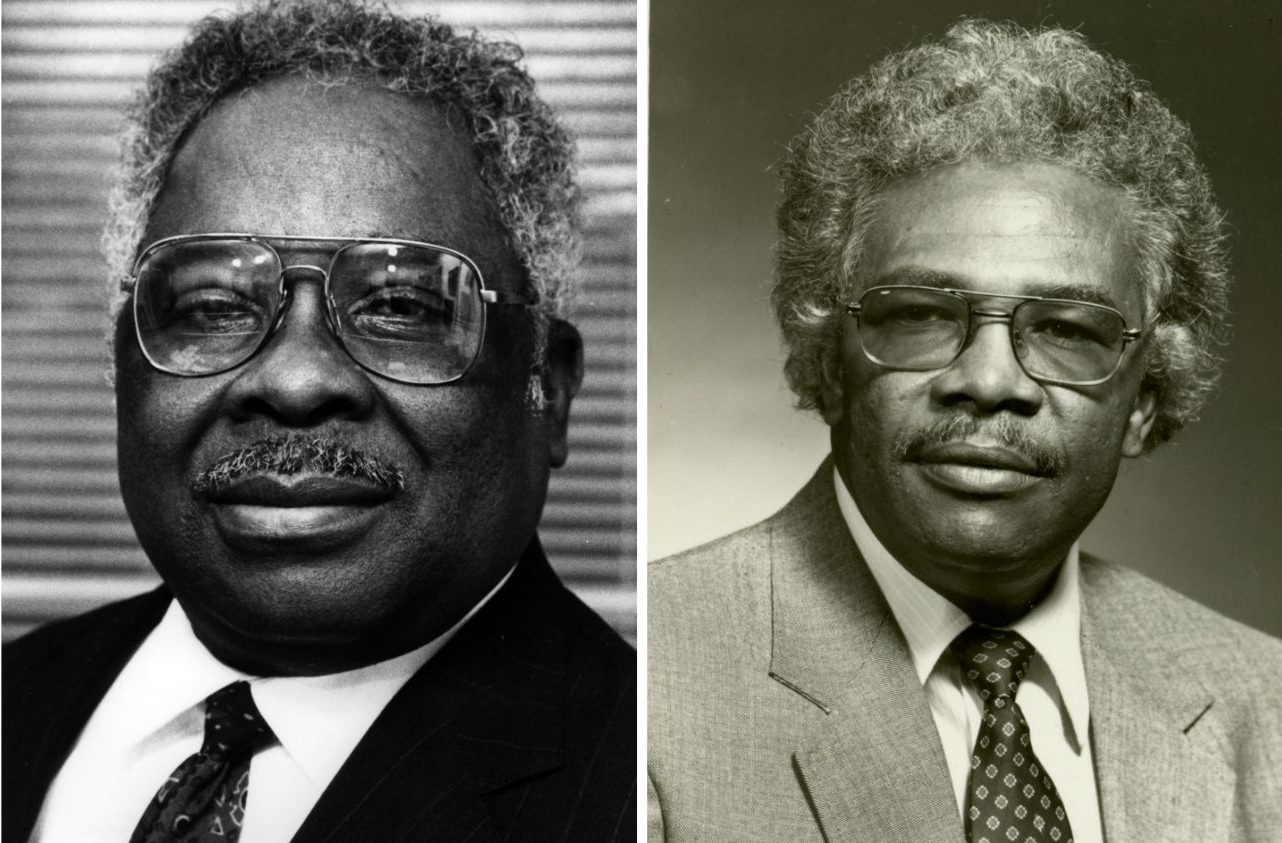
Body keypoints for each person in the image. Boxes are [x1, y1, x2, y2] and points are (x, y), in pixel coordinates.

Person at [3, 2, 635, 841]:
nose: (296, 379)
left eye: (403, 305)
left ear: (546, 388)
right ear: (119, 361)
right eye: (215, 302)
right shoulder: (19, 695)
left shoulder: (642, 787)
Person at [648, 19, 1280, 843]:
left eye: (1066, 329)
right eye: (919, 315)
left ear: (1147, 399)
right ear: (830, 362)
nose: (989, 381)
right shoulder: (653, 692)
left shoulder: (1263, 704)